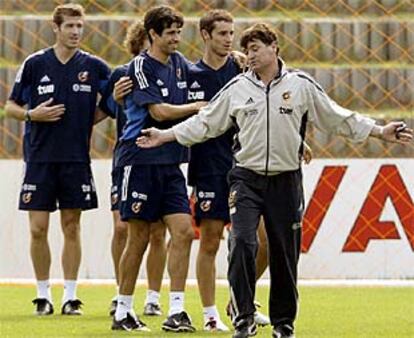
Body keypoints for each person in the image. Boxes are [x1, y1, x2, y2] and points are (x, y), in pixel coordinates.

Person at [136, 23, 413, 338]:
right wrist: (165, 135)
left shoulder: (301, 85)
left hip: (286, 181)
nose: (249, 55)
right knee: (241, 243)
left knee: (284, 252)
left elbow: (337, 118)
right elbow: (205, 122)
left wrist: (379, 131)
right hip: (245, 179)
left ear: (274, 48)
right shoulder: (237, 87)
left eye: (255, 48)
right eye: (248, 49)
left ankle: (284, 324)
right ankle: (243, 320)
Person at [4, 4, 111, 316]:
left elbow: (114, 99)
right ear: (56, 28)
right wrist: (31, 114)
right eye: (70, 26)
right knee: (38, 228)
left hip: (76, 159)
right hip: (39, 158)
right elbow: (11, 105)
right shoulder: (35, 63)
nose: (76, 32)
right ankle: (42, 294)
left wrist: (88, 119)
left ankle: (71, 295)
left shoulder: (94, 66)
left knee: (71, 226)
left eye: (80, 26)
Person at [111, 6, 206, 332]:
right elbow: (160, 112)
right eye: (171, 33)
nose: (177, 38)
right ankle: (123, 309)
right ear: (153, 34)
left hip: (170, 162)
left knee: (183, 231)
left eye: (180, 32)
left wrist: (233, 60)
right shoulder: (139, 67)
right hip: (138, 160)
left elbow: (204, 75)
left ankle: (176, 311)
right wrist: (196, 107)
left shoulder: (180, 64)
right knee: (137, 236)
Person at [186, 10, 273, 331]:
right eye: (221, 33)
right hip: (208, 167)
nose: (228, 39)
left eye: (231, 33)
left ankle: (240, 300)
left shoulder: (242, 70)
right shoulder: (189, 73)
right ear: (206, 35)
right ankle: (210, 316)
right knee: (210, 241)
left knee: (263, 242)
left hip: (246, 165)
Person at [101, 21, 167, 318]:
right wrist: (115, 99)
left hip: (161, 156)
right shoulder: (121, 75)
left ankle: (153, 296)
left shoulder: (169, 73)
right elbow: (100, 114)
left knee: (157, 231)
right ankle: (121, 292)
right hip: (127, 160)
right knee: (122, 227)